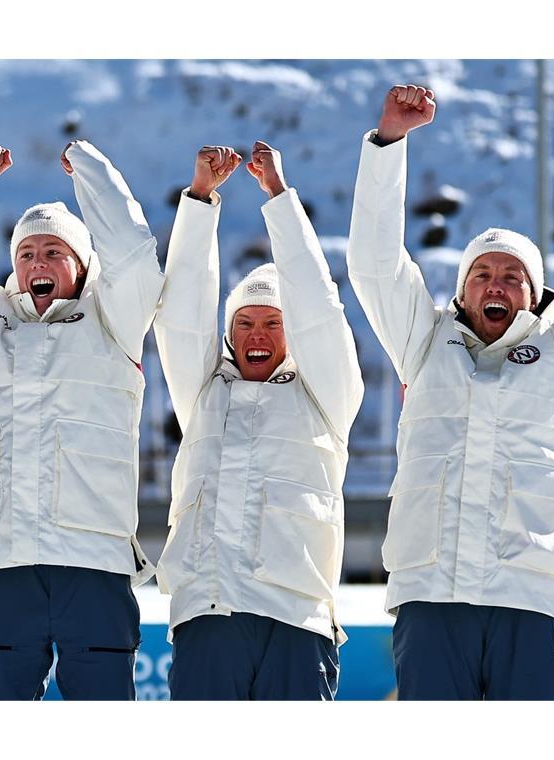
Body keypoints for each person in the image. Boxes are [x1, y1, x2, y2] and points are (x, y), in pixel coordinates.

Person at [346, 85, 554, 700]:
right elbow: (375, 263)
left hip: (531, 598)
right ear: (462, 292)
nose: (497, 284)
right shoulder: (422, 342)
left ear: (535, 292)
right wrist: (388, 143)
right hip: (432, 595)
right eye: (482, 274)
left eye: (512, 277)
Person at [0, 138, 163, 700]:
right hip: (4, 559)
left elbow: (135, 255)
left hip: (93, 560)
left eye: (53, 252)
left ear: (82, 265)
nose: (37, 263)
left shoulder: (115, 318)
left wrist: (90, 171)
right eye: (26, 254)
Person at [154, 142, 363, 700]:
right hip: (207, 613)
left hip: (295, 620)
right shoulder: (202, 393)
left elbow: (319, 308)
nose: (258, 335)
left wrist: (278, 199)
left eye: (274, 322)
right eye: (244, 322)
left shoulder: (325, 396)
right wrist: (199, 201)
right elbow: (180, 315)